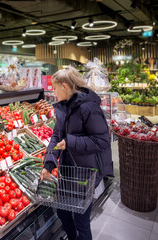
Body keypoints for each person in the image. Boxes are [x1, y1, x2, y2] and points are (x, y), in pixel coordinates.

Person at [40, 66, 113, 240]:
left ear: (65, 86)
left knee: (81, 220)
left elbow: (102, 141)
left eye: (55, 87)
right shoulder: (64, 107)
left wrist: (71, 142)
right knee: (63, 213)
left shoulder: (88, 108)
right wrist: (49, 163)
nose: (53, 91)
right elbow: (56, 135)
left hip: (84, 172)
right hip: (68, 171)